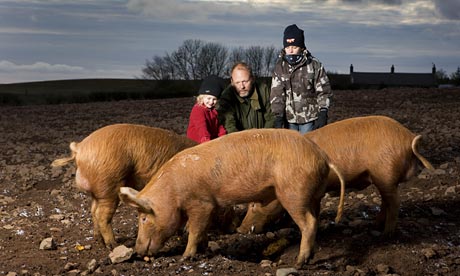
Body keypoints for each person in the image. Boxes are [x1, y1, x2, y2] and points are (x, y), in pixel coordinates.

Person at [270, 24, 333, 134]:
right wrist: (278, 116)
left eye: (294, 47)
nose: (291, 51)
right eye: (288, 47)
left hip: (310, 118)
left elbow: (324, 91)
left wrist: (323, 111)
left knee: (307, 146)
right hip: (289, 120)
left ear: (302, 47)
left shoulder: (314, 65)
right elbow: (277, 95)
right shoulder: (279, 68)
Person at [216, 62, 275, 133]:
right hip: (238, 139)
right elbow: (229, 126)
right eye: (237, 83)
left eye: (245, 81)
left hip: (262, 137)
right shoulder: (227, 97)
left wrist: (263, 136)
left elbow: (272, 117)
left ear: (252, 79)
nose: (242, 86)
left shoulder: (263, 90)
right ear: (232, 82)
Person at [186, 75, 227, 143]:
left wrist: (224, 137)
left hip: (211, 140)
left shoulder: (214, 111)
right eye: (208, 98)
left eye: (214, 99)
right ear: (202, 97)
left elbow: (219, 127)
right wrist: (206, 141)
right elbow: (202, 128)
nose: (211, 102)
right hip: (197, 142)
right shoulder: (198, 109)